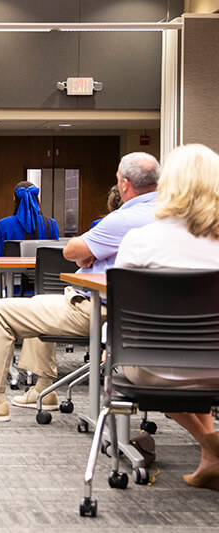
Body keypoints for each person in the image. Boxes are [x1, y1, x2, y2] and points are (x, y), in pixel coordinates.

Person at [0, 152, 160, 422]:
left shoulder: (124, 219)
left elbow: (72, 251)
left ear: (125, 184)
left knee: (0, 311)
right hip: (146, 317)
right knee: (39, 304)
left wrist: (92, 253)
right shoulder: (175, 218)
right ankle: (42, 391)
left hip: (100, 308)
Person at [114, 144, 219, 491]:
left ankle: (211, 449)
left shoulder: (140, 240)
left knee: (122, 352)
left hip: (153, 369)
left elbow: (123, 314)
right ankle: (210, 453)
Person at [0, 181, 59, 257]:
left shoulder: (3, 224)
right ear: (36, 199)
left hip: (12, 268)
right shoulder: (51, 224)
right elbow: (55, 255)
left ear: (15, 199)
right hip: (45, 268)